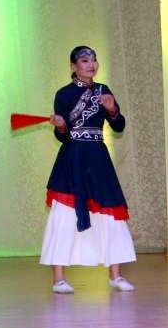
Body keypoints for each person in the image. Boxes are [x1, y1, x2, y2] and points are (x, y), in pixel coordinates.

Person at [40, 46, 136, 293]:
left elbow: (118, 126)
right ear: (73, 66)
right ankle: (59, 278)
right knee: (64, 216)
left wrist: (112, 110)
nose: (91, 64)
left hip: (98, 158)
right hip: (72, 159)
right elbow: (63, 137)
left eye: (94, 60)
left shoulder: (103, 90)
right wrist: (61, 126)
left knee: (111, 214)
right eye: (84, 60)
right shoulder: (64, 94)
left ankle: (116, 276)